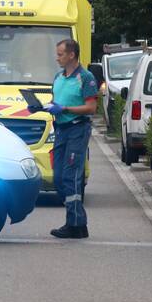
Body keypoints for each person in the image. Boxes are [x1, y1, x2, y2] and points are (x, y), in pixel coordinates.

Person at [43, 38, 98, 239]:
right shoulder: (58, 77)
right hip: (61, 130)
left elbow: (91, 108)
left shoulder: (85, 78)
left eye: (60, 54)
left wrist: (65, 109)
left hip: (77, 129)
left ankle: (74, 224)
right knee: (58, 177)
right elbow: (56, 101)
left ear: (72, 55)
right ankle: (78, 223)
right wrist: (44, 107)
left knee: (71, 176)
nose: (57, 58)